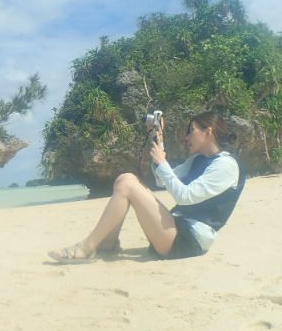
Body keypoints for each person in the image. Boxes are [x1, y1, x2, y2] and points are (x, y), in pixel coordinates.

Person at [48, 111, 243, 263]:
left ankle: (87, 247)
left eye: (192, 130)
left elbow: (185, 197)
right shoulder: (198, 159)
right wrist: (159, 142)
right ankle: (108, 243)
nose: (187, 137)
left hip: (188, 241)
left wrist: (163, 163)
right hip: (175, 228)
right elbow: (161, 180)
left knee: (127, 185)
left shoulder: (226, 165)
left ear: (208, 132)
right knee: (125, 179)